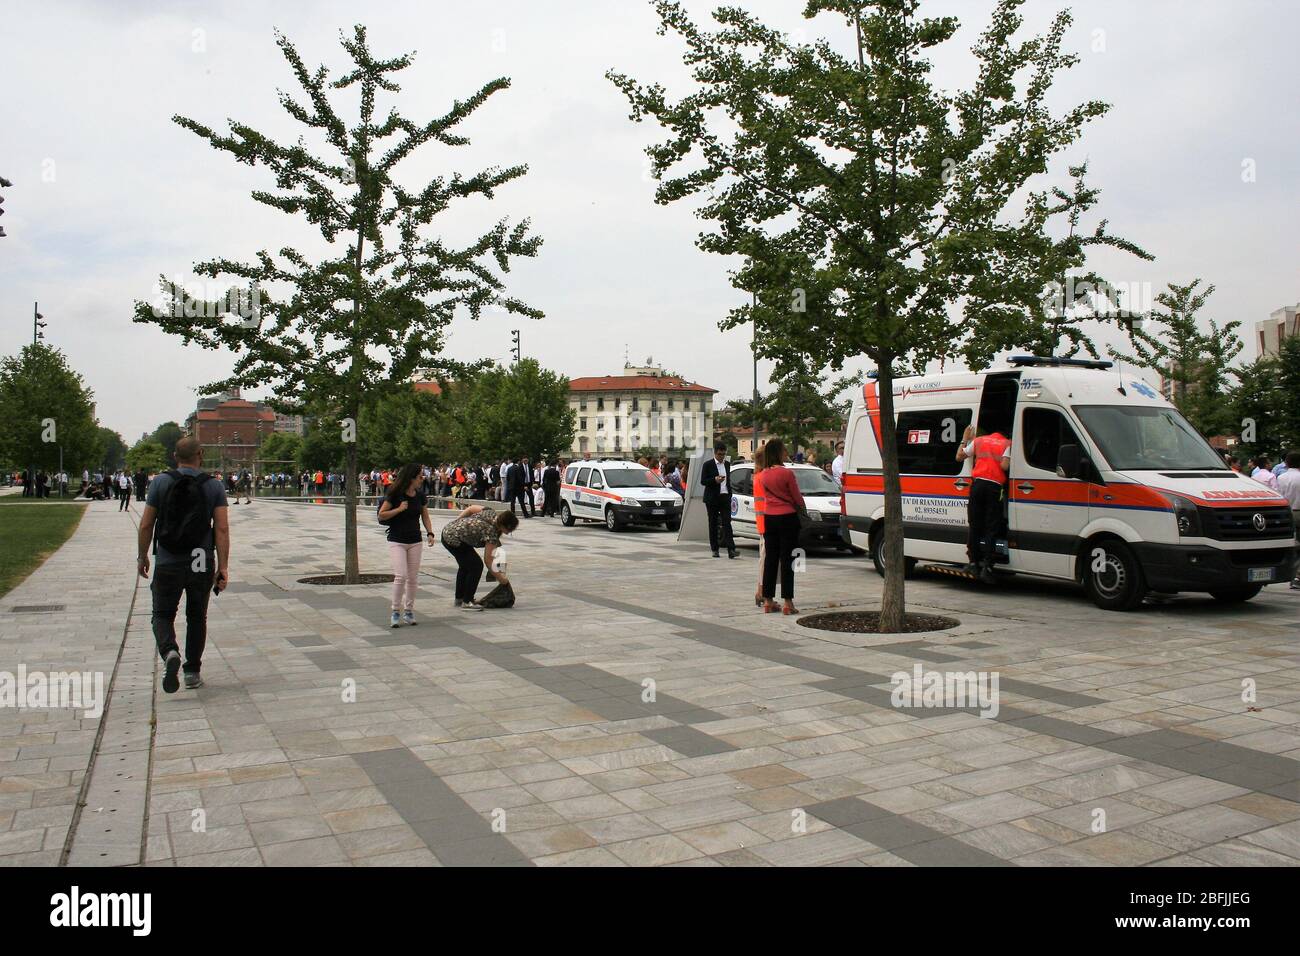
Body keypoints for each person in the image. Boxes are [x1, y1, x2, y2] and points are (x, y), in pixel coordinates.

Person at [136, 436, 229, 693]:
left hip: (168, 559)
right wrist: (223, 567)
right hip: (201, 559)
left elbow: (146, 524)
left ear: (175, 457)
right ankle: (192, 672)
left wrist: (142, 555)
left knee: (162, 614)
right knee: (197, 616)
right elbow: (221, 529)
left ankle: (169, 652)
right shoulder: (213, 486)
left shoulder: (160, 482)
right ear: (201, 453)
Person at [377, 463, 436, 628]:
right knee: (400, 576)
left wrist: (430, 533)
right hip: (397, 540)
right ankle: (395, 611)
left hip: (415, 540)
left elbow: (425, 516)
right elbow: (382, 515)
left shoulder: (420, 495)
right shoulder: (395, 494)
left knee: (412, 578)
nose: (422, 479)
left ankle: (408, 611)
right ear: (411, 478)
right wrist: (399, 509)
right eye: (419, 477)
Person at [956, 423, 1011, 583]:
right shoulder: (1007, 443)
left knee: (975, 523)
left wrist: (965, 439)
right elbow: (1004, 466)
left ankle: (973, 563)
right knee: (991, 526)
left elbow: (959, 456)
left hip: (978, 485)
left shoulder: (979, 441)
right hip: (994, 488)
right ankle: (987, 566)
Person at [440, 504, 519, 610]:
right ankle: (467, 602)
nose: (509, 533)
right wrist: (503, 580)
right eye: (510, 531)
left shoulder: (490, 512)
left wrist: (457, 521)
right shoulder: (491, 532)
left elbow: (471, 508)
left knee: (465, 566)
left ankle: (459, 599)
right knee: (476, 566)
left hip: (448, 532)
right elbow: (488, 561)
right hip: (454, 540)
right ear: (505, 526)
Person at [759, 439, 805, 615]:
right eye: (784, 449)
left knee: (771, 559)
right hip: (787, 518)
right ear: (779, 452)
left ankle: (768, 601)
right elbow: (797, 497)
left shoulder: (763, 475)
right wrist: (802, 507)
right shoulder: (787, 473)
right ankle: (788, 602)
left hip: (769, 517)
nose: (786, 452)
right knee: (787, 560)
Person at [700, 442, 737, 559]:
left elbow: (728, 480)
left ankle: (731, 549)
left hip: (725, 496)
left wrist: (730, 494)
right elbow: (703, 481)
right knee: (713, 523)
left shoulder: (727, 464)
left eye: (723, 454)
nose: (722, 457)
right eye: (720, 454)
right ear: (715, 453)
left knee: (727, 523)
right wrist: (714, 480)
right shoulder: (708, 465)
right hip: (712, 498)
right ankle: (715, 549)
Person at [1277, 451, 1300, 590]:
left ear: (1286, 463)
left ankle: (1293, 574)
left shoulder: (1281, 478)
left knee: (1293, 545)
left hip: (1287, 512)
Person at [752, 444, 768, 607]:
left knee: (765, 559)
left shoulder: (757, 476)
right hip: (768, 522)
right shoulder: (763, 476)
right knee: (765, 560)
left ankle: (761, 591)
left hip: (763, 523)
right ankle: (760, 592)